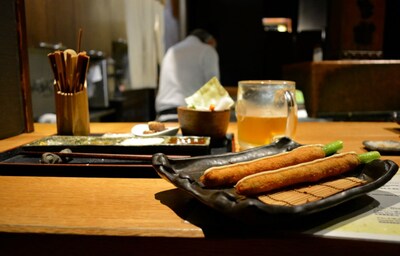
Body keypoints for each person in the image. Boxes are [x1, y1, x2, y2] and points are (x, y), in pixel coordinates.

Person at [155, 29, 220, 122]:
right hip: (189, 116)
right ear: (210, 42)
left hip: (162, 116)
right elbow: (213, 89)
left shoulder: (171, 51)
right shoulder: (207, 50)